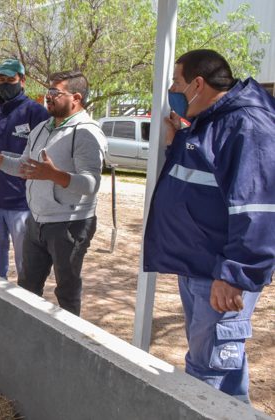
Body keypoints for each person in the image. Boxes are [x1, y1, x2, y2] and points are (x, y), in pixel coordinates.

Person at [144, 49, 274, 402]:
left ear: (198, 84)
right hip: (201, 269)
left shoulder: (248, 126)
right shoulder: (213, 120)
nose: (172, 89)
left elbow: (258, 210)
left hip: (220, 275)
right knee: (223, 374)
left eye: (176, 82)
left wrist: (235, 274)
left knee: (208, 376)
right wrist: (178, 141)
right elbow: (202, 177)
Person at [0, 70, 106, 316]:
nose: (48, 97)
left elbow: (91, 184)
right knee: (27, 288)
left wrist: (54, 175)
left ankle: (70, 345)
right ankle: (29, 339)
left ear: (76, 97)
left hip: (69, 226)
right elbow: (24, 166)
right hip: (36, 221)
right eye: (48, 91)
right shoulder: (42, 128)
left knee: (67, 292)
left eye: (55, 92)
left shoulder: (87, 132)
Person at [0, 59, 49, 280]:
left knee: (26, 267)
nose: (5, 83)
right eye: (2, 79)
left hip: (22, 203)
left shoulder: (36, 113)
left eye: (11, 79)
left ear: (22, 80)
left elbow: (40, 159)